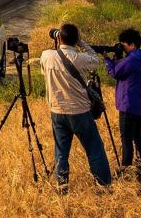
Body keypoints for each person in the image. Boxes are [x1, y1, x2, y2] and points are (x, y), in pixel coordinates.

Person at [39, 23, 112, 191]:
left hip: (57, 111)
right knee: (94, 149)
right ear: (75, 40)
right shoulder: (80, 58)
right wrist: (82, 43)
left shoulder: (46, 56)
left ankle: (62, 186)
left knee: (61, 152)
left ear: (60, 38)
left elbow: (45, 69)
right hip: (79, 112)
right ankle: (103, 185)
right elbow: (95, 59)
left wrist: (58, 43)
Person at [104, 28, 141, 168]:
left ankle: (126, 167)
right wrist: (118, 56)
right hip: (139, 103)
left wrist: (107, 58)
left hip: (127, 104)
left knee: (126, 138)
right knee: (137, 136)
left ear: (132, 45)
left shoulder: (132, 60)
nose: (122, 48)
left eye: (123, 45)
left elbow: (114, 72)